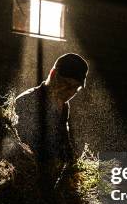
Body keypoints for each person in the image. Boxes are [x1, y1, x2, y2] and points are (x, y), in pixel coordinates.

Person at [14, 53, 89, 184]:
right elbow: (20, 149)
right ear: (53, 74)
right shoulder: (27, 101)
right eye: (65, 83)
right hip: (27, 181)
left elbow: (64, 141)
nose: (69, 92)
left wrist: (72, 165)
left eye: (74, 88)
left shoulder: (64, 105)